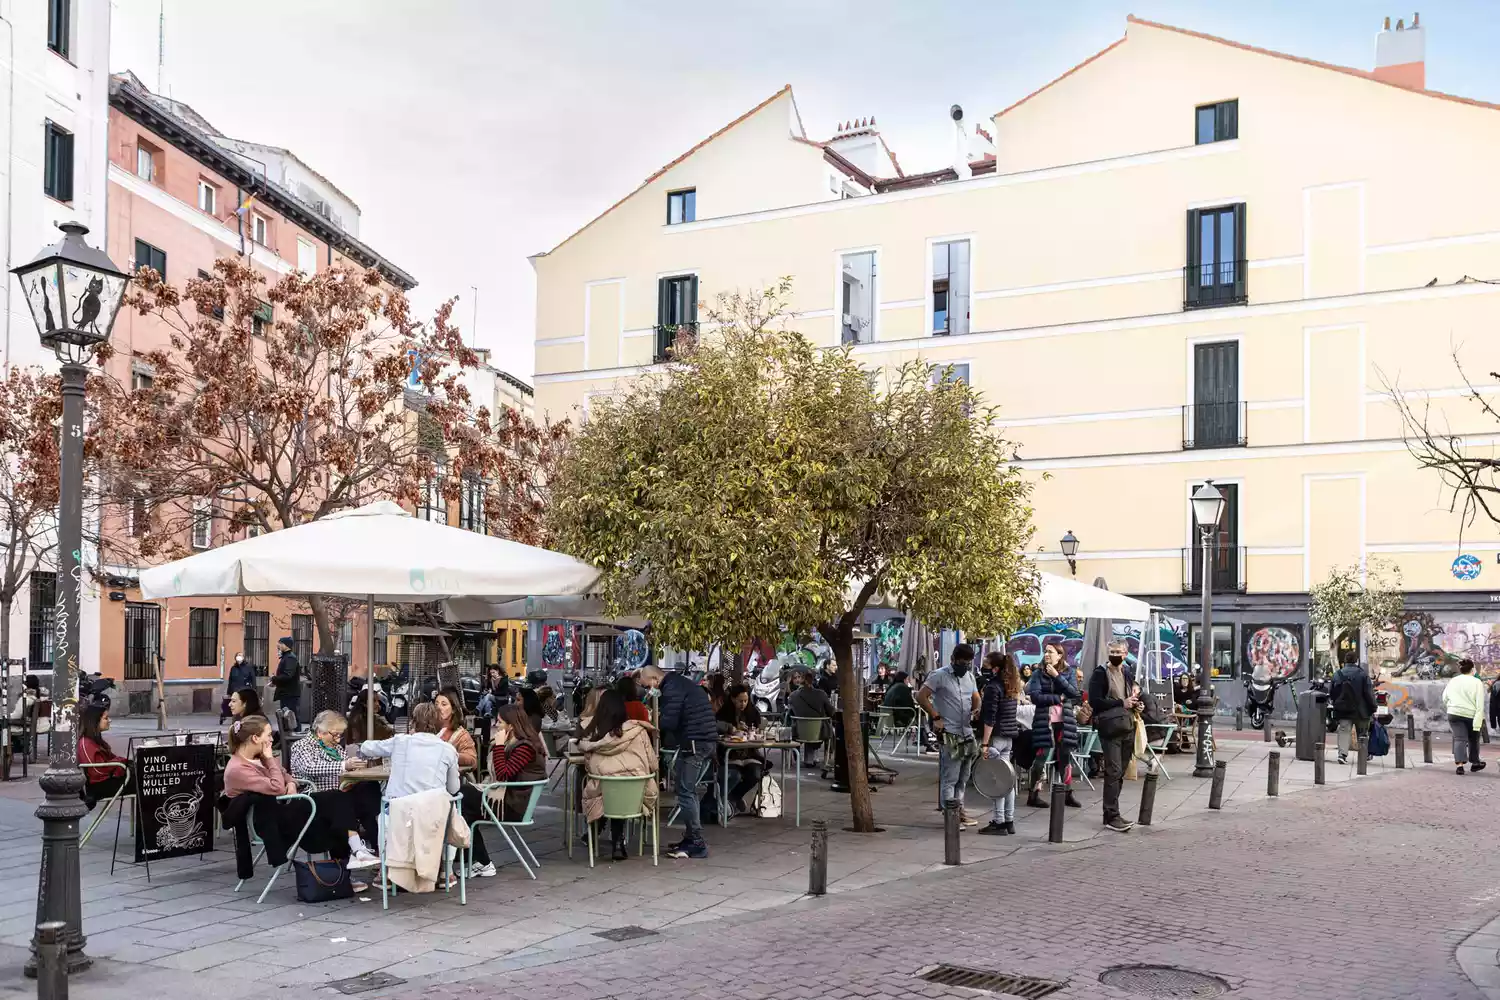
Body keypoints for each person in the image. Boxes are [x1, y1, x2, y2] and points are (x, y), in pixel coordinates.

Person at [638, 665, 717, 860]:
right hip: (697, 741)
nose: (648, 691)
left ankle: (697, 842)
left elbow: (668, 723)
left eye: (647, 686)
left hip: (695, 743)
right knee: (685, 790)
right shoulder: (678, 684)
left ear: (655, 679)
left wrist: (649, 718)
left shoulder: (672, 689)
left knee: (686, 792)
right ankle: (690, 838)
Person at [288, 711, 381, 868]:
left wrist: (355, 770)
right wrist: (344, 765)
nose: (338, 740)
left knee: (369, 788)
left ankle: (377, 846)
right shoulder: (302, 746)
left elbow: (345, 770)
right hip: (313, 800)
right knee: (339, 800)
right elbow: (309, 768)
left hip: (339, 795)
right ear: (320, 731)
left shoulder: (336, 748)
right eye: (335, 735)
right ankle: (355, 854)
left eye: (340, 735)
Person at [578, 690, 658, 861]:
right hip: (636, 795)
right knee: (622, 786)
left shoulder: (593, 738)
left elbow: (589, 767)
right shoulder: (639, 732)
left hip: (603, 795)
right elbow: (653, 764)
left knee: (604, 786)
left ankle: (594, 833)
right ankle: (618, 842)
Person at [432, 686, 496, 877]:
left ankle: (452, 862)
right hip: (429, 785)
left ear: (453, 708)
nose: (439, 708)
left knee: (456, 811)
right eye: (436, 704)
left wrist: (449, 754)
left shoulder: (459, 734)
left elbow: (472, 760)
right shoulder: (428, 729)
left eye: (444, 704)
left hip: (448, 786)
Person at [917, 643, 982, 827]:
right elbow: (921, 696)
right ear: (953, 659)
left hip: (966, 732)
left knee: (963, 777)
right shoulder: (939, 676)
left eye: (968, 662)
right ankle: (950, 816)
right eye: (962, 662)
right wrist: (936, 717)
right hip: (950, 733)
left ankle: (959, 811)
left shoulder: (969, 676)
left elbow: (976, 696)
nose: (965, 666)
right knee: (950, 777)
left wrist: (976, 709)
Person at [1087, 640, 1141, 833]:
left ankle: (1112, 812)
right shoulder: (1100, 673)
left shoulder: (1126, 672)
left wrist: (1134, 703)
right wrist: (1121, 702)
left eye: (1118, 651)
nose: (1115, 654)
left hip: (1127, 725)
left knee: (1120, 772)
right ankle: (1111, 815)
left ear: (1125, 654)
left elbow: (1128, 696)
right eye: (1112, 651)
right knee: (1113, 770)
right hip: (1109, 728)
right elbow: (1095, 701)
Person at [356, 702, 460, 799]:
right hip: (433, 815)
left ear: (413, 722)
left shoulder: (400, 741)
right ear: (440, 724)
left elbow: (366, 748)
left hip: (398, 813)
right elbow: (453, 788)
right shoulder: (448, 750)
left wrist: (361, 747)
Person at [1027, 642, 1081, 809]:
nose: (1046, 655)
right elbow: (1035, 697)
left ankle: (1067, 793)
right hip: (1045, 721)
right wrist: (1058, 699)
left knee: (1065, 758)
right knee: (1041, 758)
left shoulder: (1069, 672)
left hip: (1064, 721)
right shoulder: (1037, 673)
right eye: (1045, 652)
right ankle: (1033, 794)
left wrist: (1057, 676)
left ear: (1059, 655)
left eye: (1050, 652)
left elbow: (1074, 693)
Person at [977, 653, 1022, 835]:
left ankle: (998, 821)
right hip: (1008, 737)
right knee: (1007, 780)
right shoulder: (1011, 685)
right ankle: (1009, 820)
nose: (984, 668)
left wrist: (985, 744)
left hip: (995, 737)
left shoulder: (993, 687)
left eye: (986, 664)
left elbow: (990, 718)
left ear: (995, 667)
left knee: (996, 782)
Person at [487, 703, 548, 821]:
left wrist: (499, 746)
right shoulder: (514, 744)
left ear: (510, 726)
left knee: (463, 799)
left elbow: (502, 775)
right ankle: (472, 839)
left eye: (500, 722)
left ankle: (471, 839)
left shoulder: (525, 747)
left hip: (513, 806)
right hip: (507, 798)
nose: (496, 726)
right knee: (465, 799)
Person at [716, 684, 769, 817]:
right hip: (730, 753)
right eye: (740, 701)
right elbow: (717, 728)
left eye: (746, 700)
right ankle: (729, 801)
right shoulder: (724, 713)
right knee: (735, 774)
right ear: (733, 699)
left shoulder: (752, 712)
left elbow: (757, 729)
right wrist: (732, 730)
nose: (743, 704)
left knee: (756, 774)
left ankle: (732, 798)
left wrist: (753, 731)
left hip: (749, 753)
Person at [1330, 650, 1378, 766]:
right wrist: (1373, 707)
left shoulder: (1337, 674)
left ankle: (1342, 755)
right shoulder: (1362, 674)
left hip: (1343, 710)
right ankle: (1364, 754)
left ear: (1345, 660)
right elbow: (1368, 693)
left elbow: (1332, 693)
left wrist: (1337, 703)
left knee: (1344, 730)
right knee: (1362, 732)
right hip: (1361, 710)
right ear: (1356, 661)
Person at [78, 704, 131, 804]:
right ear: (95, 721)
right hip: (100, 786)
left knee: (145, 778)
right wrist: (120, 762)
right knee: (145, 782)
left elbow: (110, 760)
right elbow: (97, 771)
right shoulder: (85, 743)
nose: (109, 720)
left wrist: (125, 762)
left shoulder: (94, 740)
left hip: (106, 781)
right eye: (106, 718)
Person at [1443, 657, 1487, 775]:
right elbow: (1480, 704)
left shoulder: (1453, 680)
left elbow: (1445, 697)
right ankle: (1475, 762)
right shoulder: (1477, 682)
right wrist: (1478, 722)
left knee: (1459, 738)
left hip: (1454, 713)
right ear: (1472, 669)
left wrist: (1451, 706)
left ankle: (1460, 766)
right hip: (1470, 714)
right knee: (1474, 739)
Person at [788, 668, 834, 769]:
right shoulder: (821, 694)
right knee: (823, 725)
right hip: (818, 732)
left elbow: (789, 713)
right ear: (813, 680)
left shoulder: (792, 696)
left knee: (802, 724)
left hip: (799, 731)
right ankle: (813, 759)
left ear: (801, 680)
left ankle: (805, 758)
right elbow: (831, 712)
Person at [271, 637, 302, 732]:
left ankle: (294, 738)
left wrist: (274, 679)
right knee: (286, 717)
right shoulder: (286, 657)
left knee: (291, 717)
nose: (278, 645)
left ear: (286, 645)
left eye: (280, 643)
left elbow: (287, 675)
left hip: (289, 694)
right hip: (286, 693)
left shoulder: (290, 658)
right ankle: (287, 738)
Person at [223, 652, 256, 723]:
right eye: (238, 655)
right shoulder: (233, 668)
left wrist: (254, 690)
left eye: (241, 655)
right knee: (235, 707)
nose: (239, 657)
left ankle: (245, 721)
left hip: (244, 690)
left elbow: (253, 679)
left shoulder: (248, 667)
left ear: (243, 658)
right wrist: (229, 692)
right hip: (234, 691)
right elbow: (230, 680)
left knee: (244, 707)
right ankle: (235, 722)